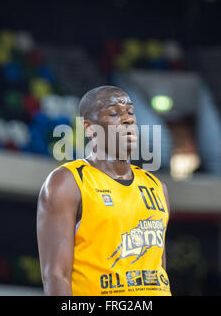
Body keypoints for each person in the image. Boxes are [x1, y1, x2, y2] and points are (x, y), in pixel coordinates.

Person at [37, 86, 171, 296]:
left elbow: (159, 267)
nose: (128, 120)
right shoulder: (67, 182)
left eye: (130, 112)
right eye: (115, 113)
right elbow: (56, 275)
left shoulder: (156, 187)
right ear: (89, 128)